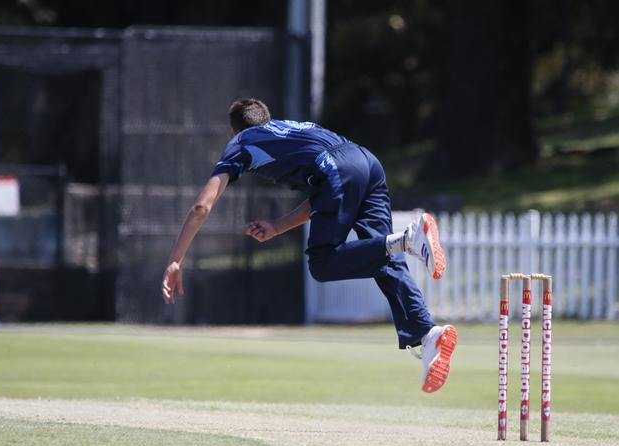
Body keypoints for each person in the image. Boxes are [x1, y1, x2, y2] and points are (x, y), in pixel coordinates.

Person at [162, 98, 458, 393]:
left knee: (323, 263)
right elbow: (326, 186)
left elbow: (203, 206)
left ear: (233, 131)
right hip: (367, 162)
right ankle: (427, 333)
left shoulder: (241, 143)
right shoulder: (291, 129)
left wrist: (176, 260)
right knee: (382, 255)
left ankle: (407, 239)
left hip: (338, 170)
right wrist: (278, 226)